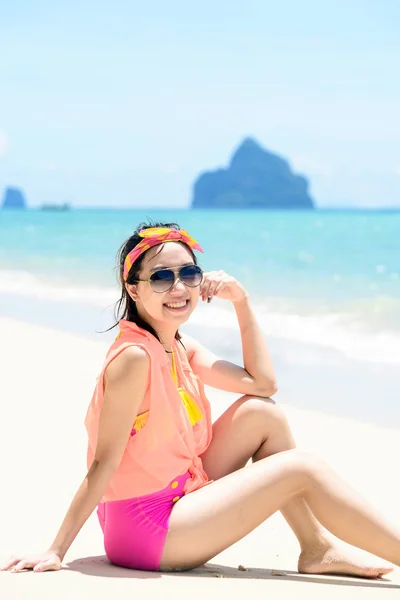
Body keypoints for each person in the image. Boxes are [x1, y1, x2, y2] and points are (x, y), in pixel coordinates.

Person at [2, 221, 400, 577]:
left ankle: (317, 548)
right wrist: (56, 550)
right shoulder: (134, 358)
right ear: (133, 288)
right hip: (145, 528)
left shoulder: (176, 345)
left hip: (180, 494)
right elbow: (103, 462)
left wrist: (241, 301)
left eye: (188, 274)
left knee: (263, 415)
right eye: (160, 278)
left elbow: (262, 385)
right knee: (300, 468)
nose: (178, 288)